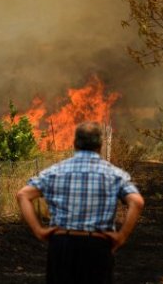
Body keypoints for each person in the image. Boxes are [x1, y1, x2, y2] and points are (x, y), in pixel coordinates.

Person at [16, 121, 144, 284]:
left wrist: (39, 231)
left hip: (62, 246)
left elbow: (23, 195)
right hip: (97, 246)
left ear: (75, 144)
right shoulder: (114, 174)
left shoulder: (54, 172)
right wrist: (121, 236)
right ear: (100, 145)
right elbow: (137, 202)